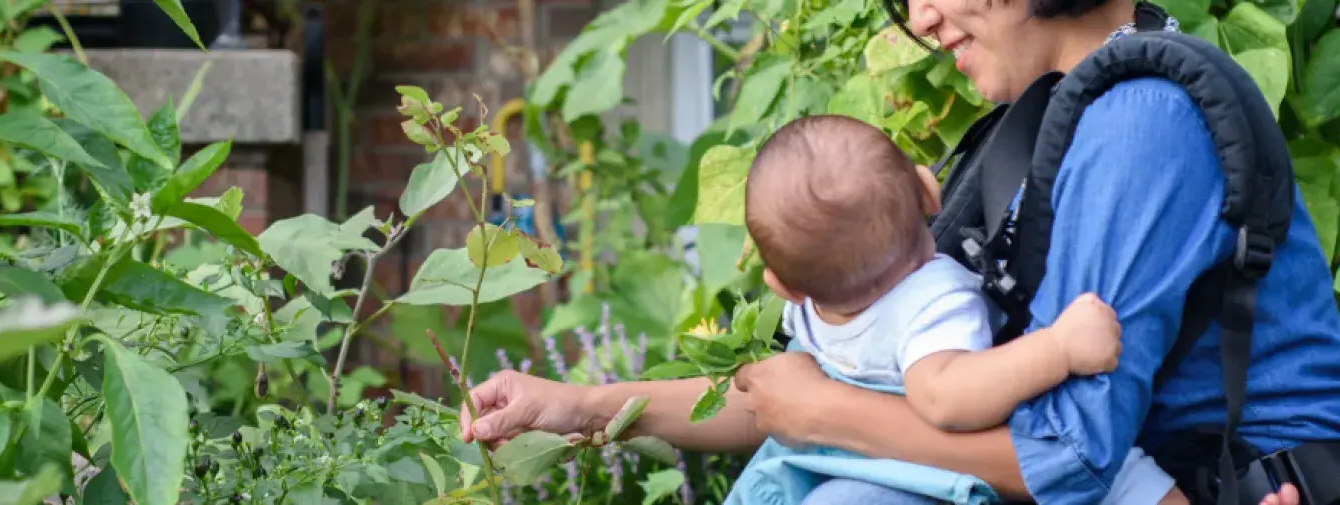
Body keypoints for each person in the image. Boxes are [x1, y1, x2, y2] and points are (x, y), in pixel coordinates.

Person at [458, 0, 1340, 502]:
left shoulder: (1140, 119)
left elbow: (1068, 456)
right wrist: (577, 403)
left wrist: (827, 418)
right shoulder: (1035, 121)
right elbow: (833, 380)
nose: (918, 16)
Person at [730, 113, 1185, 505]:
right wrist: (1060, 347)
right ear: (930, 191)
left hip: (811, 472)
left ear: (783, 287)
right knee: (1127, 478)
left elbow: (768, 396)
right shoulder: (933, 302)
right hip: (931, 472)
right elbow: (945, 396)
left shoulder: (810, 315)